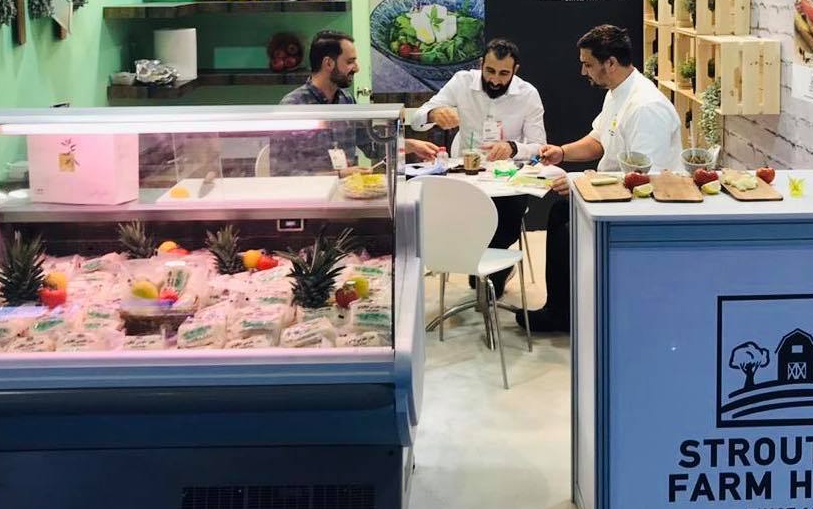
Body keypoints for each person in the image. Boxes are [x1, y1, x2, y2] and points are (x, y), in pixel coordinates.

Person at [517, 24, 682, 334]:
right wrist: (561, 153)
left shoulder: (646, 108)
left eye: (588, 64)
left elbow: (643, 180)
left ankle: (563, 313)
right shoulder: (618, 93)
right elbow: (599, 141)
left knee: (567, 228)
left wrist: (579, 182)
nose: (583, 71)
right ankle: (561, 309)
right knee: (559, 213)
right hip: (616, 194)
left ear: (611, 63)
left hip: (644, 205)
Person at [412, 38, 546, 295]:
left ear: (515, 70)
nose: (495, 80)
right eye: (490, 71)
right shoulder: (462, 82)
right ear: (481, 64)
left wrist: (513, 147)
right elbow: (418, 119)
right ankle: (483, 264)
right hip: (465, 174)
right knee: (455, 220)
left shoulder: (528, 95)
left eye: (504, 74)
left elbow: (539, 146)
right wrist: (433, 114)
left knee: (505, 223)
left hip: (507, 179)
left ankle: (494, 264)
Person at [272, 30, 437, 174]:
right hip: (312, 197)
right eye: (350, 61)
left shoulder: (346, 100)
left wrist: (409, 145)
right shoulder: (293, 105)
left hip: (348, 192)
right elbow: (281, 171)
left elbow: (372, 145)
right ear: (328, 63)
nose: (357, 68)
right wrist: (338, 175)